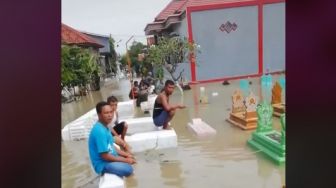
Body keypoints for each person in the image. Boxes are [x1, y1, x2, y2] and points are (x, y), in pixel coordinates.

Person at [88, 101, 136, 177]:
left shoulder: (105, 127)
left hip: (109, 159)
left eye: (111, 112)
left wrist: (126, 155)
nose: (110, 115)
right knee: (128, 170)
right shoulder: (99, 131)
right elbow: (105, 156)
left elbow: (112, 147)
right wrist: (126, 160)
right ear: (99, 115)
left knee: (131, 159)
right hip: (102, 164)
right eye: (106, 113)